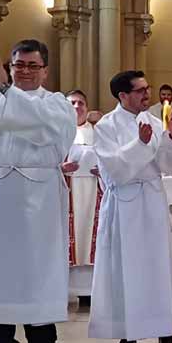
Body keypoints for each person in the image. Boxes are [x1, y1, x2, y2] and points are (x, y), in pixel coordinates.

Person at [0, 39, 76, 343]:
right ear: (9, 67)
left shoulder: (56, 104)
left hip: (39, 197)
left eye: (32, 66)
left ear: (45, 71)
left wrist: (7, 91)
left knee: (39, 267)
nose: (24, 71)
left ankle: (42, 342)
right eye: (18, 65)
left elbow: (41, 129)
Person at [89, 70, 172, 343]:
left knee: (158, 268)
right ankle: (126, 335)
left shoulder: (156, 122)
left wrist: (171, 137)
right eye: (140, 90)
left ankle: (165, 333)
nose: (147, 95)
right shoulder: (106, 126)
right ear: (122, 95)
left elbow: (171, 166)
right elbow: (114, 170)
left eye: (148, 88)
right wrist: (141, 145)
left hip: (152, 202)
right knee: (123, 270)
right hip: (123, 205)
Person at [62, 90, 102, 305]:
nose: (77, 107)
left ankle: (88, 292)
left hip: (95, 190)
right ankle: (64, 290)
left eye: (81, 103)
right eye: (73, 103)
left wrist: (103, 168)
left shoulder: (99, 132)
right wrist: (61, 168)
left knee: (90, 238)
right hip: (67, 190)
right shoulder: (56, 132)